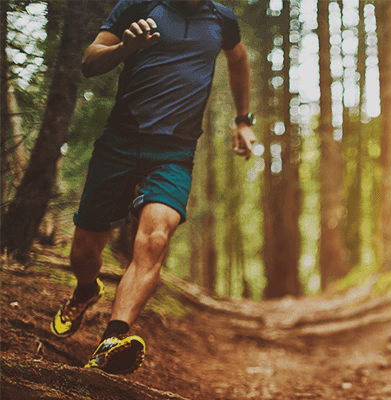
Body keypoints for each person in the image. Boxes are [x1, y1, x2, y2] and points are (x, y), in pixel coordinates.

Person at [50, 0, 256, 375]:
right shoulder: (140, 5)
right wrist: (124, 48)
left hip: (175, 152)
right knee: (83, 254)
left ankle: (112, 340)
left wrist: (243, 120)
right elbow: (90, 62)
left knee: (155, 237)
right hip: (119, 143)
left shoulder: (221, 19)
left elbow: (239, 58)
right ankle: (86, 289)